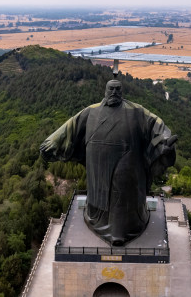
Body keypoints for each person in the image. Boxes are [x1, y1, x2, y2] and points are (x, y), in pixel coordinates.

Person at [41, 79, 177, 246]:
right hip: (98, 170)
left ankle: (124, 230)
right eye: (111, 89)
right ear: (105, 91)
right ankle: (100, 223)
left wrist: (164, 140)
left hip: (129, 169)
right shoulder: (91, 111)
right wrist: (52, 143)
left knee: (123, 200)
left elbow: (157, 125)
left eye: (117, 89)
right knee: (101, 197)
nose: (114, 92)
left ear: (122, 91)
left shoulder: (137, 112)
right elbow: (70, 128)